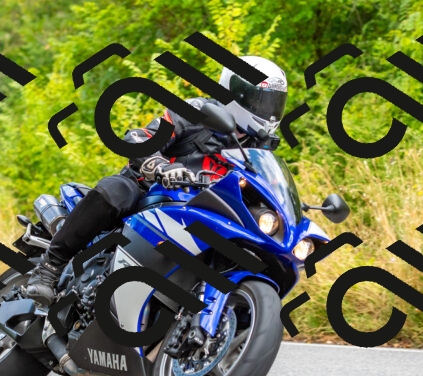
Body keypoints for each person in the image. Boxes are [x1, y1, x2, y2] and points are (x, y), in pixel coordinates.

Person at [25, 56, 289, 306]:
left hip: (204, 212)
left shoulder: (260, 147)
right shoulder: (195, 113)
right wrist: (160, 167)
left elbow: (264, 184)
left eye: (274, 103)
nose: (268, 111)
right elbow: (139, 138)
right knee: (117, 191)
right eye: (260, 101)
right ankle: (50, 267)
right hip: (150, 193)